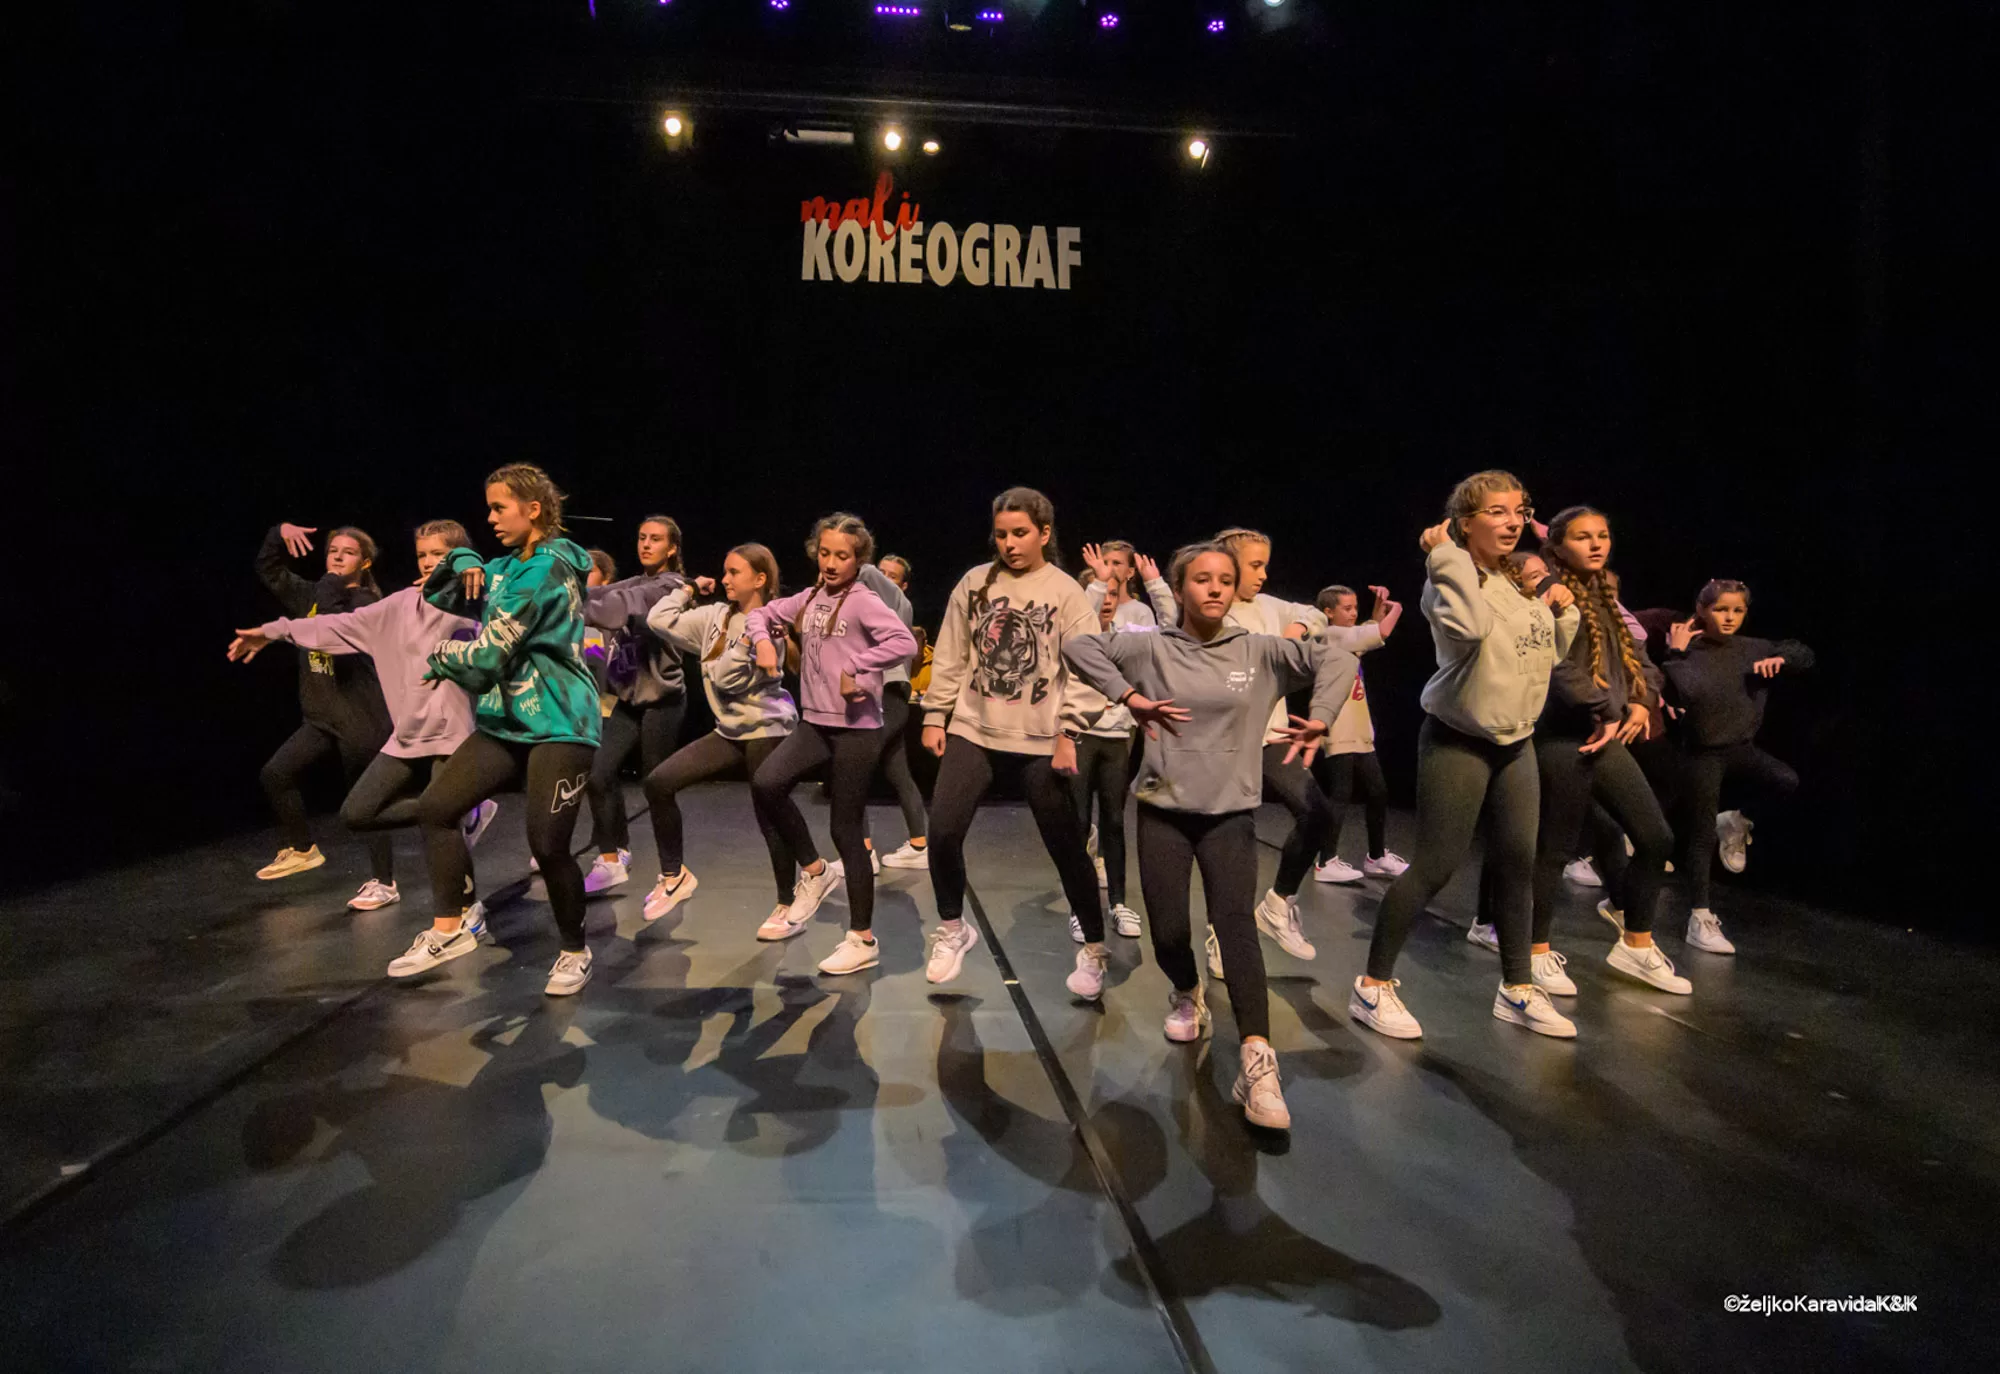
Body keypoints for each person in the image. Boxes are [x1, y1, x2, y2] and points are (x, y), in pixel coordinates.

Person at [1064, 541, 1357, 1131]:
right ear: (1179, 588)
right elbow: (1077, 646)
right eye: (1202, 579)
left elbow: (1339, 656)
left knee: (1235, 928)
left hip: (1230, 815)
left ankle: (1257, 1059)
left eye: (1226, 578)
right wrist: (1130, 697)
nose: (1217, 587)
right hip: (1163, 811)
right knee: (1170, 932)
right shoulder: (1151, 646)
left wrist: (1323, 716)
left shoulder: (1260, 651)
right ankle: (1186, 989)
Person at [1349, 472, 1581, 1041]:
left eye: (1518, 511)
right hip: (1459, 739)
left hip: (1515, 741)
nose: (1512, 521)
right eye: (1496, 512)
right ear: (1464, 522)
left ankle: (1517, 988)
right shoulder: (1447, 581)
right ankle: (1372, 986)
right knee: (1437, 864)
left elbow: (1545, 654)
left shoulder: (1513, 582)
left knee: (1518, 862)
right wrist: (1446, 555)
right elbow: (1473, 629)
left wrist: (1564, 612)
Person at [1466, 507, 1691, 997]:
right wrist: (1607, 707)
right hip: (1561, 735)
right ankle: (1535, 951)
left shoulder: (1603, 594)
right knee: (1554, 847)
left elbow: (1639, 658)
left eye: (1603, 535)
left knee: (1655, 837)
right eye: (1583, 537)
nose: (1596, 544)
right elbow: (1556, 666)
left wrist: (1641, 701)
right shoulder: (1549, 592)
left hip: (1603, 733)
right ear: (1557, 546)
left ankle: (1636, 944)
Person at [399, 464, 604, 994]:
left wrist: (442, 653)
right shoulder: (509, 566)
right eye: (488, 508)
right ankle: (452, 927)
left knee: (548, 845)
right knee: (436, 808)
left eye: (499, 507)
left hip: (560, 721)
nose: (489, 518)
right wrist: (462, 558)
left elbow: (487, 658)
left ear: (532, 510)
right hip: (507, 721)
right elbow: (438, 594)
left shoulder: (545, 571)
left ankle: (574, 951)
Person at [229, 520, 498, 918]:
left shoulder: (469, 600)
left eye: (438, 554)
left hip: (449, 734)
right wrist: (273, 632)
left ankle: (462, 914)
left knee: (441, 832)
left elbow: (483, 584)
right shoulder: (398, 604)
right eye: (422, 555)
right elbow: (336, 624)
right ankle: (464, 809)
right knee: (358, 813)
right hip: (406, 734)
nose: (428, 562)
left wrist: (465, 562)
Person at [918, 487, 1112, 999]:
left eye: (1020, 533)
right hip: (974, 727)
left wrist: (1069, 730)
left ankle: (1094, 948)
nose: (1009, 543)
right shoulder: (975, 582)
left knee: (1066, 847)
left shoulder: (1065, 592)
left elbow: (1088, 668)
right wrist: (935, 714)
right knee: (942, 831)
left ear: (1044, 533)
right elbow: (952, 654)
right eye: (1001, 534)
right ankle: (953, 928)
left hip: (1041, 736)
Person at [745, 514, 917, 973]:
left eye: (842, 555)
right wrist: (763, 641)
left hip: (857, 729)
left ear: (858, 560)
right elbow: (760, 614)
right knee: (767, 783)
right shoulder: (810, 598)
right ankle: (816, 872)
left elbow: (903, 642)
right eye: (824, 553)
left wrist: (858, 666)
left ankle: (862, 938)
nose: (831, 563)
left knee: (846, 829)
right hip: (816, 724)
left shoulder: (862, 601)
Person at [638, 544, 801, 929]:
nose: (725, 579)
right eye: (724, 571)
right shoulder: (715, 616)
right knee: (659, 783)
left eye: (734, 573)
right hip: (730, 731)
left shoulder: (769, 629)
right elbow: (658, 619)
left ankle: (789, 905)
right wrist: (689, 589)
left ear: (759, 580)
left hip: (767, 729)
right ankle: (674, 876)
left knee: (769, 816)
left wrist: (743, 640)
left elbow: (727, 679)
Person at [1197, 528, 1328, 975]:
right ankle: (1220, 932)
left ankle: (1278, 903)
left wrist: (1298, 629)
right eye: (1255, 565)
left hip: (1271, 738)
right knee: (1233, 845)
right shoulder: (1214, 611)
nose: (1264, 574)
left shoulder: (1271, 607)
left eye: (1265, 565)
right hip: (1228, 744)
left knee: (1318, 814)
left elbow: (1313, 613)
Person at [1661, 580, 1815, 953]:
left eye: (1738, 611)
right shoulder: (1687, 651)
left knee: (1786, 780)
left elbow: (1804, 653)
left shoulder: (1753, 648)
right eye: (1720, 609)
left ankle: (1735, 820)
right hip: (1701, 753)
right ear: (1702, 610)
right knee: (1700, 835)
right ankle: (1700, 916)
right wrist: (1676, 654)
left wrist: (1784, 659)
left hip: (1741, 748)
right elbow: (1686, 691)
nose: (1729, 617)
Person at [248, 520, 394, 886]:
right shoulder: (314, 594)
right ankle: (302, 849)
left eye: (349, 553)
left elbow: (330, 628)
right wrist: (278, 532)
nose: (338, 558)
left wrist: (329, 584)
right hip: (322, 717)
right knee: (276, 774)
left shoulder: (367, 603)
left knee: (365, 804)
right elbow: (270, 570)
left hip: (361, 717)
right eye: (333, 551)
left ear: (365, 563)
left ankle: (384, 882)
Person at [579, 515, 689, 895]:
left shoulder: (672, 587)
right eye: (642, 537)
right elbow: (606, 593)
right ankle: (613, 858)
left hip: (662, 700)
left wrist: (584, 600)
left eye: (655, 539)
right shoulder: (636, 582)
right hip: (625, 698)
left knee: (656, 786)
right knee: (597, 774)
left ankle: (673, 873)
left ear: (671, 548)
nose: (646, 544)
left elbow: (622, 603)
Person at [1308, 583, 1411, 884]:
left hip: (1358, 724)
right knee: (1340, 793)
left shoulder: (1346, 637)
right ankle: (1325, 861)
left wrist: (1377, 610)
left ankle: (1376, 857)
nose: (1354, 613)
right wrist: (1396, 609)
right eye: (1347, 608)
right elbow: (1380, 633)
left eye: (1355, 607)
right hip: (1338, 722)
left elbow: (1367, 633)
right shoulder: (1329, 635)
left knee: (1378, 792)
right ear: (1328, 612)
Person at [1066, 579, 1147, 938]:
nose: (1108, 601)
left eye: (1115, 594)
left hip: (1116, 737)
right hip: (1081, 735)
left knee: (1114, 821)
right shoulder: (1074, 638)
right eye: (1103, 594)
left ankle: (1118, 903)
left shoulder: (1125, 639)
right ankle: (1080, 909)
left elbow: (1168, 627)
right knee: (1080, 821)